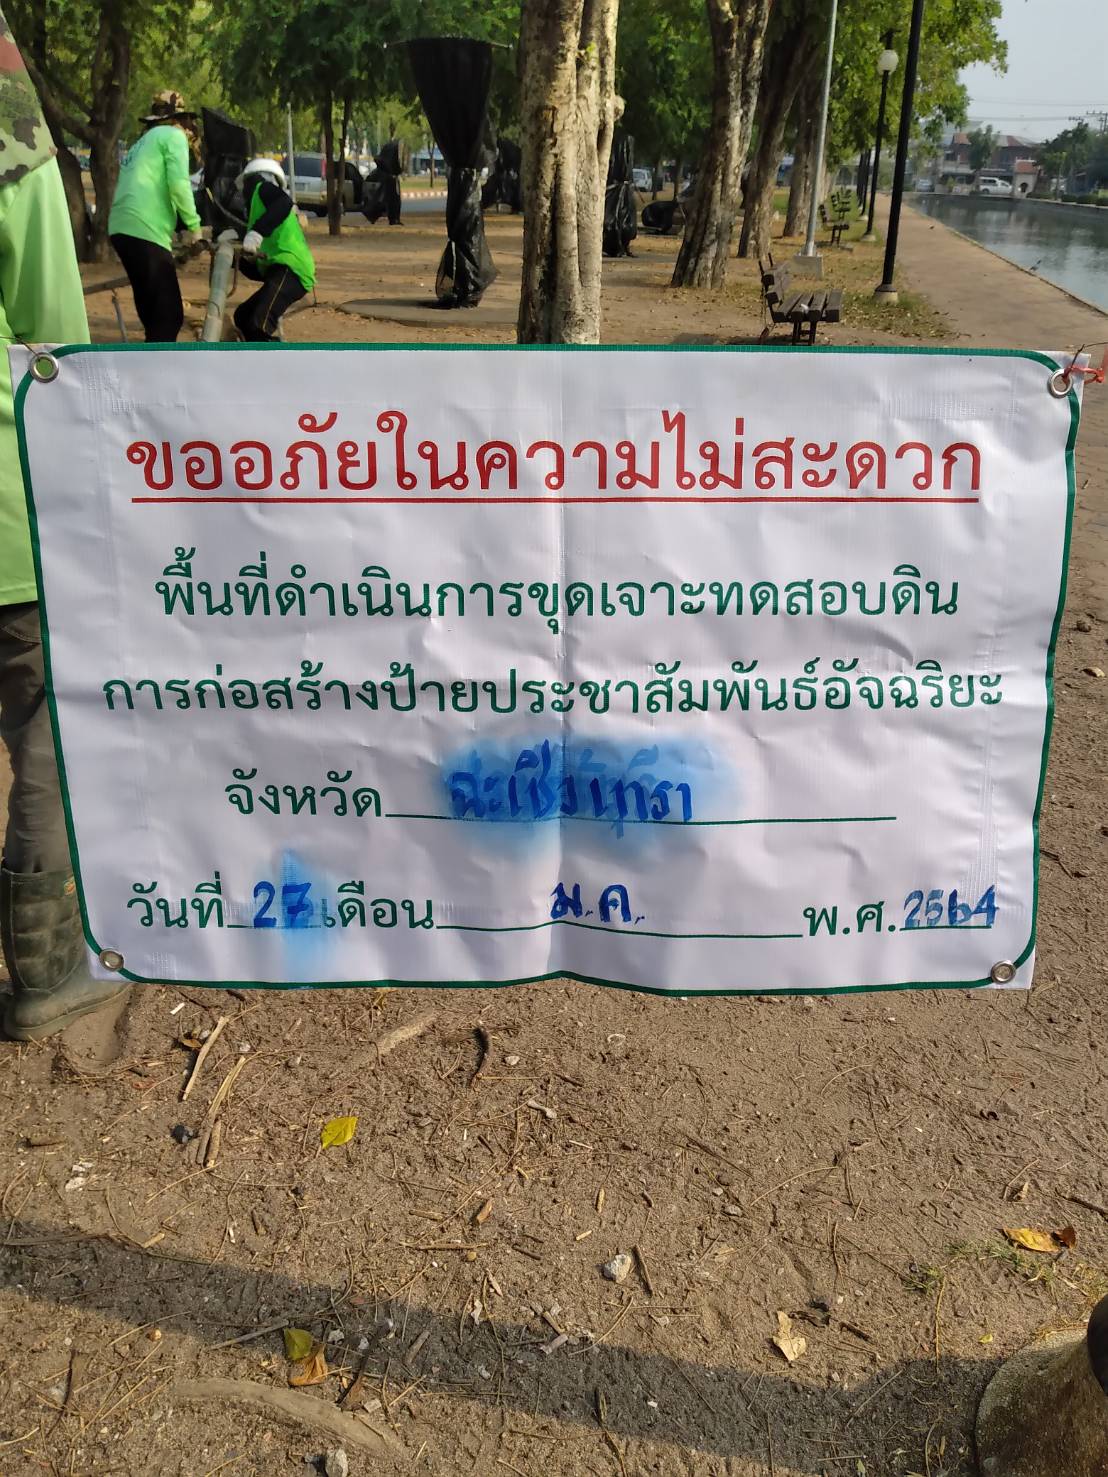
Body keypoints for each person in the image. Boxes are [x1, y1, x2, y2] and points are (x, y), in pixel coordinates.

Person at [0, 6, 128, 1038]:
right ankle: (47, 977)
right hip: (7, 513)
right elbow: (54, 335)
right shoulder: (8, 137)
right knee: (46, 725)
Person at [108, 90, 205, 342]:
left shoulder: (143, 142)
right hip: (145, 229)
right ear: (180, 119)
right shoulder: (173, 136)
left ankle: (146, 374)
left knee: (152, 316)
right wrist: (195, 227)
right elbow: (179, 184)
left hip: (121, 228)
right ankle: (155, 378)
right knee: (168, 317)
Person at [233, 158, 315, 342]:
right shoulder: (260, 212)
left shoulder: (263, 189)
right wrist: (234, 259)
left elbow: (284, 202)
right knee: (243, 317)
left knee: (258, 324)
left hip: (293, 271)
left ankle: (274, 363)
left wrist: (256, 233)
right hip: (281, 270)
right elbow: (260, 272)